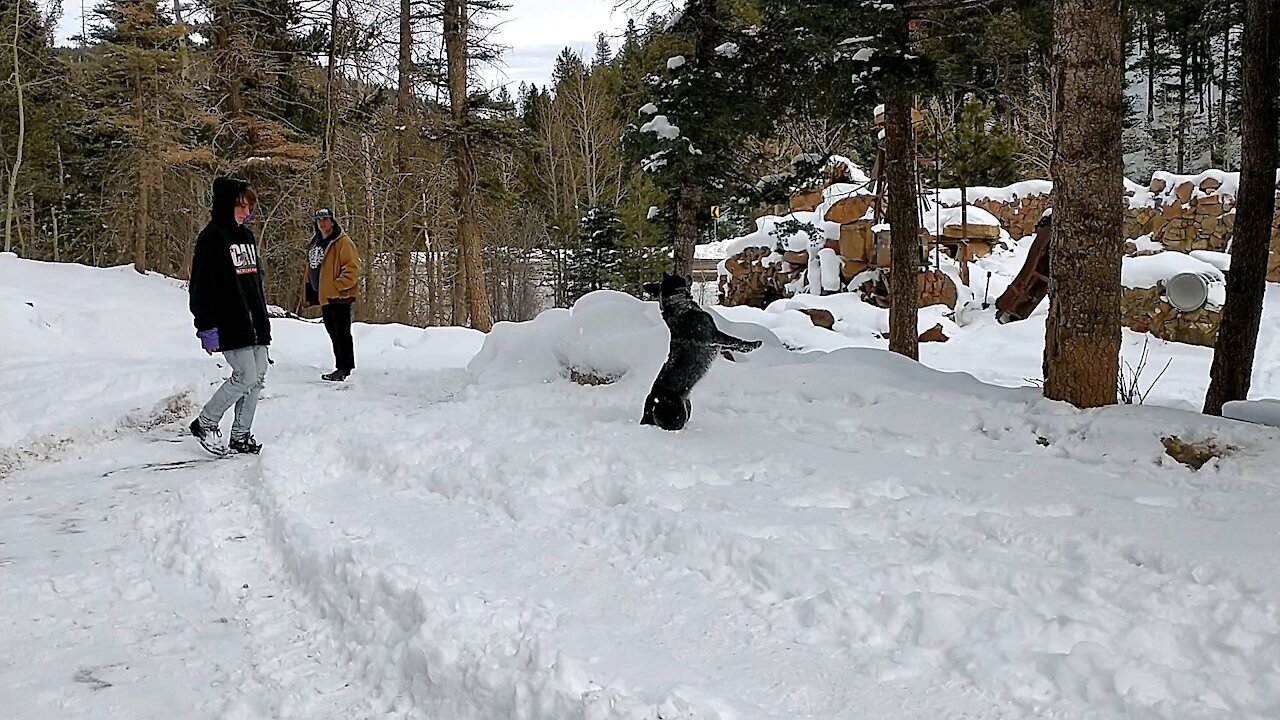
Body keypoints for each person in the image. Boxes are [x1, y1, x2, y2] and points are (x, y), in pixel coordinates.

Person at [187, 177, 271, 455]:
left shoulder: (246, 237)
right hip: (229, 322)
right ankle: (205, 422)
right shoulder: (212, 238)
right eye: (241, 206)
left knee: (257, 379)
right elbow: (200, 285)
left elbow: (255, 281)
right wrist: (206, 327)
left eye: (249, 207)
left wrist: (262, 316)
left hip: (255, 322)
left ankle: (240, 435)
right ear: (227, 204)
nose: (247, 213)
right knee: (245, 376)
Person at [304, 208, 360, 382]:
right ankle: (341, 366)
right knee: (332, 332)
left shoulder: (342, 242)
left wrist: (336, 287)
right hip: (325, 296)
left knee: (341, 332)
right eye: (319, 219)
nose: (322, 223)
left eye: (325, 219)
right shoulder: (317, 242)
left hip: (339, 297)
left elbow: (352, 269)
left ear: (333, 221)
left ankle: (345, 368)